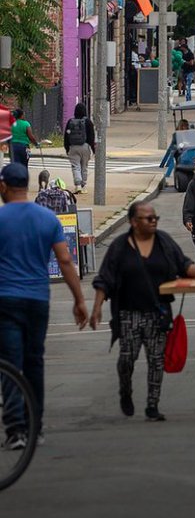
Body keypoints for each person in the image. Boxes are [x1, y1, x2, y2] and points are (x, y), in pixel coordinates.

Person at [91, 200, 195, 421]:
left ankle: (152, 405)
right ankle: (125, 390)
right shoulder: (119, 246)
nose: (153, 221)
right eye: (148, 218)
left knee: (156, 360)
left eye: (155, 218)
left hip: (158, 312)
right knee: (127, 359)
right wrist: (97, 308)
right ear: (134, 222)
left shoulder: (164, 242)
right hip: (128, 313)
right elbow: (104, 279)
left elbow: (184, 264)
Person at [0, 162, 87, 449]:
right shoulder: (47, 219)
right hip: (38, 299)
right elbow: (65, 261)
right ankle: (35, 425)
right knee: (34, 362)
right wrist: (79, 299)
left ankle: (16, 430)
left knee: (11, 363)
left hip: (6, 300)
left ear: (3, 187)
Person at [63, 102, 96, 194]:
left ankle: (77, 185)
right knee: (84, 167)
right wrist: (93, 149)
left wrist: (67, 148)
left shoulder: (70, 122)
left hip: (73, 147)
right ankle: (83, 185)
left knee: (75, 166)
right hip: (85, 146)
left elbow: (66, 135)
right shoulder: (88, 122)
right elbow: (91, 137)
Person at [6, 107, 38, 174]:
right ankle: (22, 180)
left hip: (13, 148)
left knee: (14, 165)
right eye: (24, 114)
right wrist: (36, 144)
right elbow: (31, 137)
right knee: (24, 165)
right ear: (21, 115)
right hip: (24, 147)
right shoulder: (26, 124)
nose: (24, 116)